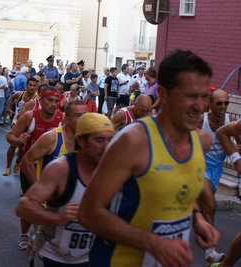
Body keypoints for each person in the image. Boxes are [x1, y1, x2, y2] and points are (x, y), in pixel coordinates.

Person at [78, 50, 220, 266]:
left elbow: (179, 191)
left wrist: (198, 219)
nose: (200, 106)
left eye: (204, 97)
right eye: (190, 96)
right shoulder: (133, 141)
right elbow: (88, 213)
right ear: (162, 94)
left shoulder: (201, 142)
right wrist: (153, 243)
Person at [16, 113, 115, 267]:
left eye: (110, 140)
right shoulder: (61, 169)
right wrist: (59, 219)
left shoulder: (110, 173)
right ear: (81, 140)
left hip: (86, 259)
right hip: (50, 257)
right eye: (99, 140)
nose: (106, 147)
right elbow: (23, 208)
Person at [6, 86, 63, 251]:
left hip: (54, 172)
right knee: (32, 204)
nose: (53, 104)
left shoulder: (63, 119)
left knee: (54, 206)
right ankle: (25, 235)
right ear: (41, 100)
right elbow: (10, 135)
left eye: (56, 101)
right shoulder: (30, 117)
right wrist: (18, 140)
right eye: (50, 100)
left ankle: (46, 239)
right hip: (29, 168)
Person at [196, 88, 240, 265]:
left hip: (217, 168)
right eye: (219, 103)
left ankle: (192, 220)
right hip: (199, 166)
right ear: (210, 103)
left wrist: (236, 151)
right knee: (211, 206)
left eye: (226, 103)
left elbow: (240, 143)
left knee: (201, 207)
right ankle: (210, 252)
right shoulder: (201, 120)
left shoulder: (232, 122)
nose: (223, 106)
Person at [21, 100, 87, 183]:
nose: (83, 119)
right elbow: (27, 160)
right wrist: (37, 188)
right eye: (78, 115)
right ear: (67, 119)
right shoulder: (52, 137)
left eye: (85, 115)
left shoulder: (87, 141)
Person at [3, 77, 38, 176]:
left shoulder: (36, 99)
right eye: (30, 85)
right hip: (17, 121)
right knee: (13, 144)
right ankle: (8, 167)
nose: (32, 87)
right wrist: (8, 108)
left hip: (28, 123)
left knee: (22, 146)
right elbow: (12, 98)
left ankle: (18, 162)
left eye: (34, 86)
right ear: (26, 86)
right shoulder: (19, 94)